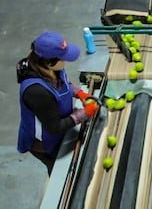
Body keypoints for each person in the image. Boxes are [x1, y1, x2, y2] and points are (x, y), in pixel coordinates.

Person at [16, 31, 99, 175]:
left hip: (57, 124)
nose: (65, 62)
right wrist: (84, 113)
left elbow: (64, 83)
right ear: (49, 62)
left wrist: (79, 93)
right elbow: (55, 127)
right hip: (46, 143)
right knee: (60, 173)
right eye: (63, 58)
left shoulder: (50, 68)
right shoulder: (36, 92)